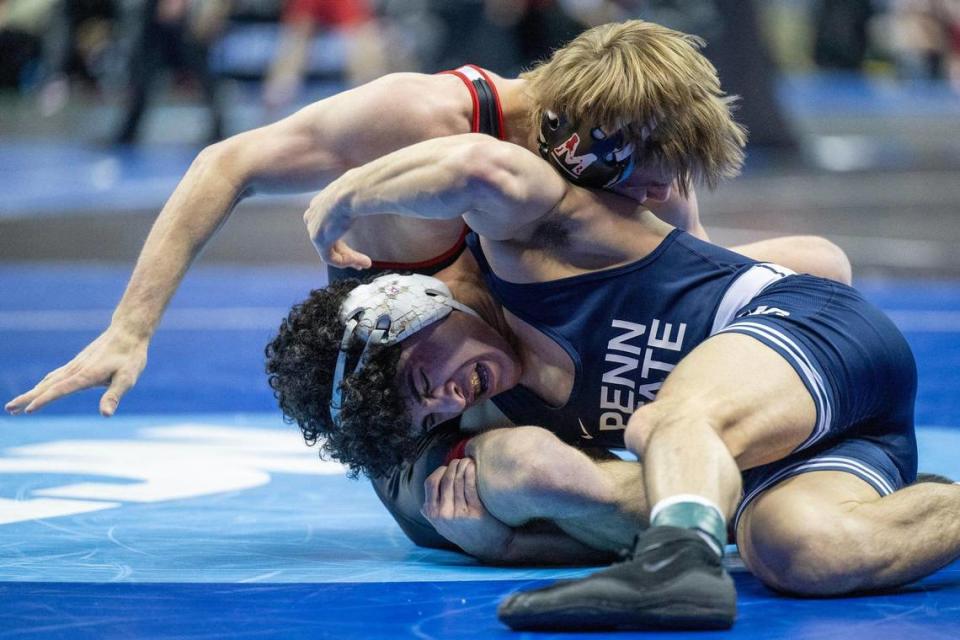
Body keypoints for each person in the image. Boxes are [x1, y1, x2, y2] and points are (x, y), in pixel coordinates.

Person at [6, 20, 851, 549]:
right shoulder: (427, 122)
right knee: (498, 495)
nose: (650, 200)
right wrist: (131, 327)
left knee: (816, 267)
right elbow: (229, 162)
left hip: (544, 362)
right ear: (571, 138)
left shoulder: (637, 157)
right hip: (425, 415)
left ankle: (706, 503)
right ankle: (722, 520)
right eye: (643, 185)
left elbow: (684, 281)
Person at [269, 129, 960, 631]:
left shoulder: (524, 251)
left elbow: (482, 164)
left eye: (426, 379)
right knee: (799, 552)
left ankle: (675, 565)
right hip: (830, 441)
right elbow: (431, 508)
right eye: (432, 416)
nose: (452, 399)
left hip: (809, 332)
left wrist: (343, 195)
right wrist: (500, 545)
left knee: (663, 423)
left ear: (412, 307)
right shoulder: (498, 410)